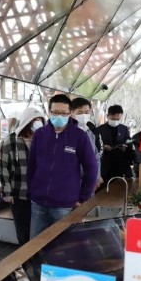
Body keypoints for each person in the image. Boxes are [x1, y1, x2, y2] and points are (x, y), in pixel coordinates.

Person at [28, 94, 97, 238]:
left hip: (64, 205)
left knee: (62, 245)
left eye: (63, 113)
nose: (59, 116)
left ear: (70, 113)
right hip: (38, 202)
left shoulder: (79, 136)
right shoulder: (40, 134)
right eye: (55, 112)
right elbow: (32, 164)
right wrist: (32, 189)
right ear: (49, 112)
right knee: (35, 243)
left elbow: (91, 168)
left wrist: (82, 197)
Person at [0, 106, 45, 246]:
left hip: (41, 194)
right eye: (35, 120)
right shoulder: (11, 141)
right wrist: (7, 192)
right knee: (23, 231)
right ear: (27, 121)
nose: (38, 123)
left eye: (40, 120)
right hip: (20, 193)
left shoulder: (44, 139)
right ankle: (26, 258)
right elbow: (4, 167)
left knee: (40, 231)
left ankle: (39, 257)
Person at [70, 97, 104, 190]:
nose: (84, 115)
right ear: (71, 113)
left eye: (86, 112)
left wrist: (96, 177)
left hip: (89, 182)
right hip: (73, 183)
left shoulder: (89, 132)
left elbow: (96, 157)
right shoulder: (68, 133)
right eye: (80, 113)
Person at [94, 104, 133, 182]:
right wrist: (102, 147)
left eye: (118, 119)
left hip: (120, 163)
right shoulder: (99, 129)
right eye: (113, 119)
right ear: (108, 116)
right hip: (105, 164)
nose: (115, 121)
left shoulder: (124, 128)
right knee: (104, 185)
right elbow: (94, 144)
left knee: (119, 185)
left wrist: (125, 146)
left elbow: (129, 140)